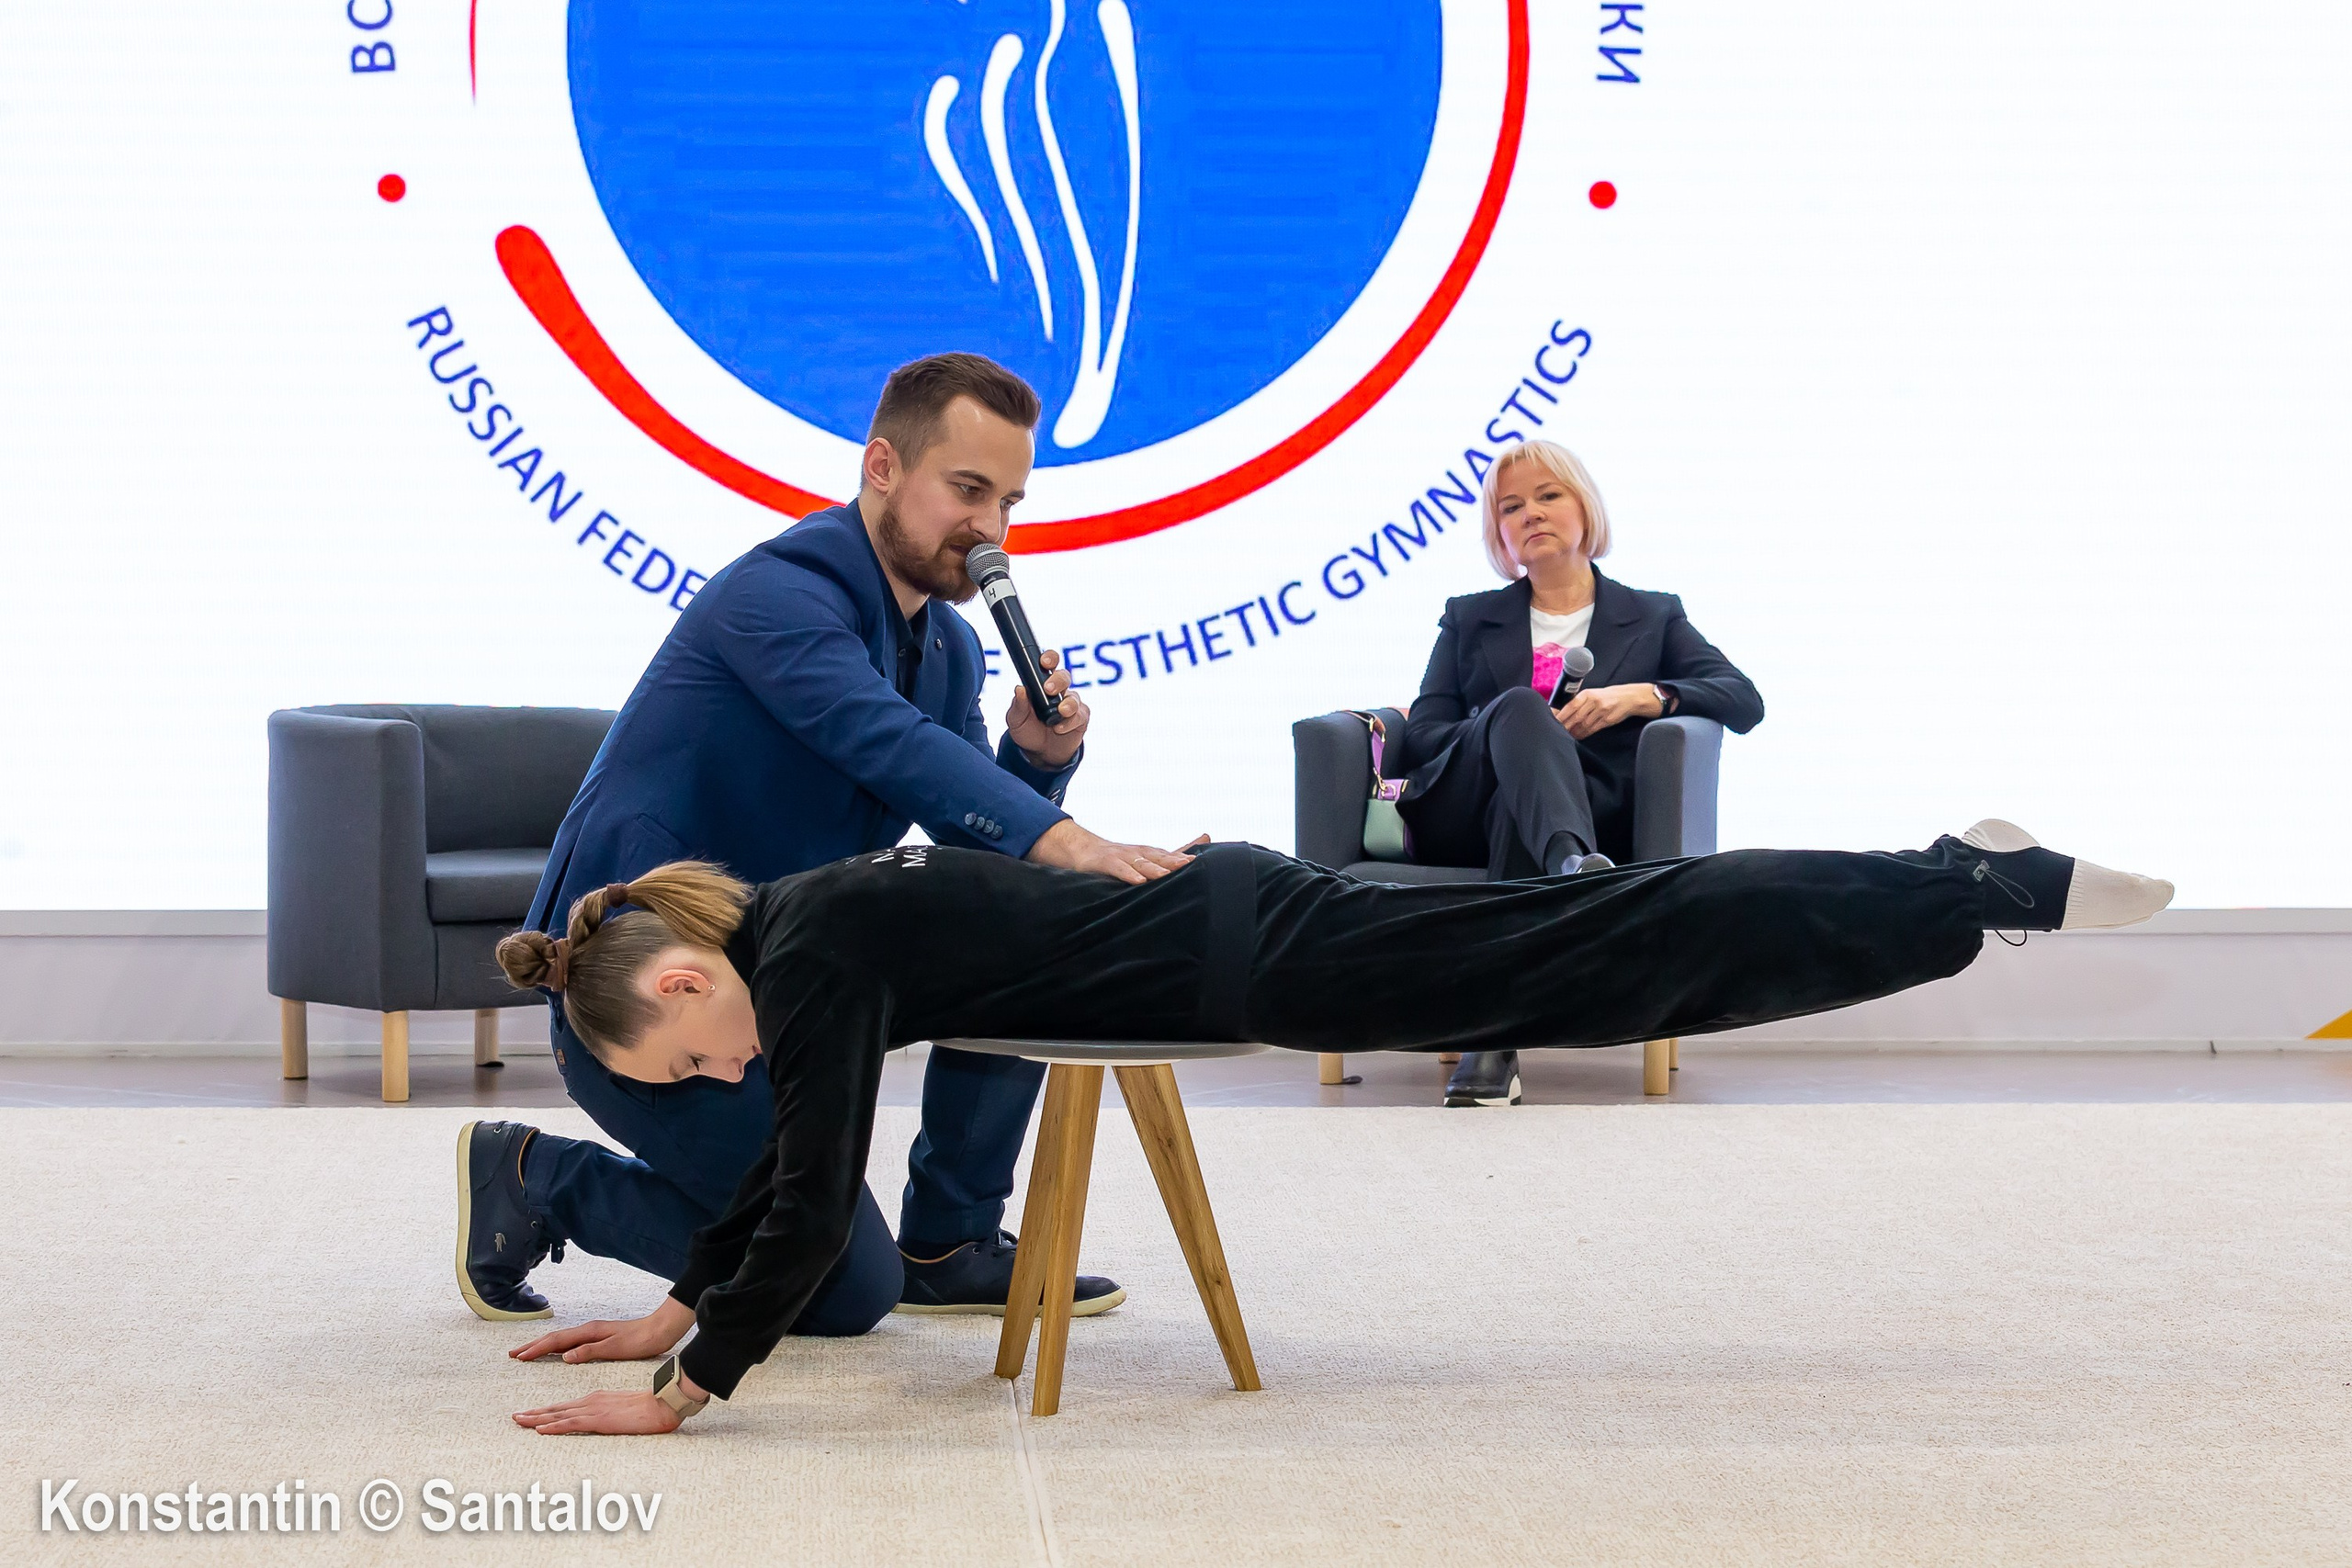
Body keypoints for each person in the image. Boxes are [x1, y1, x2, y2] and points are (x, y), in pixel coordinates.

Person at [486, 819, 2171, 1435]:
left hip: (1275, 949)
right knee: (1616, 957)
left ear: (693, 979)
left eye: (687, 1061)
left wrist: (689, 1388)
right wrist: (688, 1301)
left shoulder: (820, 944)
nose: (714, 1084)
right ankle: (1954, 884)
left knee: (1625, 951)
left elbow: (803, 1186)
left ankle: (1967, 882)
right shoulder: (812, 922)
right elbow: (790, 1173)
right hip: (1259, 942)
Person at [458, 353, 1199, 1336]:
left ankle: (950, 1239)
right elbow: (877, 736)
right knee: (841, 1289)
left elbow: (963, 833)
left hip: (791, 973)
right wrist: (1062, 837)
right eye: (967, 490)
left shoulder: (949, 647)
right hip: (654, 995)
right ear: (883, 467)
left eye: (1010, 501)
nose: (992, 532)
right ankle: (534, 1176)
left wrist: (1033, 761)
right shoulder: (779, 594)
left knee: (1025, 925)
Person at [1396, 439, 1764, 1108]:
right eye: (1511, 506)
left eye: (1548, 495)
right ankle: (1569, 868)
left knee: (1521, 805)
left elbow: (1743, 699)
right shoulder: (1468, 616)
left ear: (1584, 510)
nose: (1531, 513)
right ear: (1499, 534)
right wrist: (1508, 728)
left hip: (1577, 806)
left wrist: (1641, 695)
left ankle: (1492, 1041)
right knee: (1516, 713)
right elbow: (1422, 737)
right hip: (1460, 807)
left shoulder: (1653, 614)